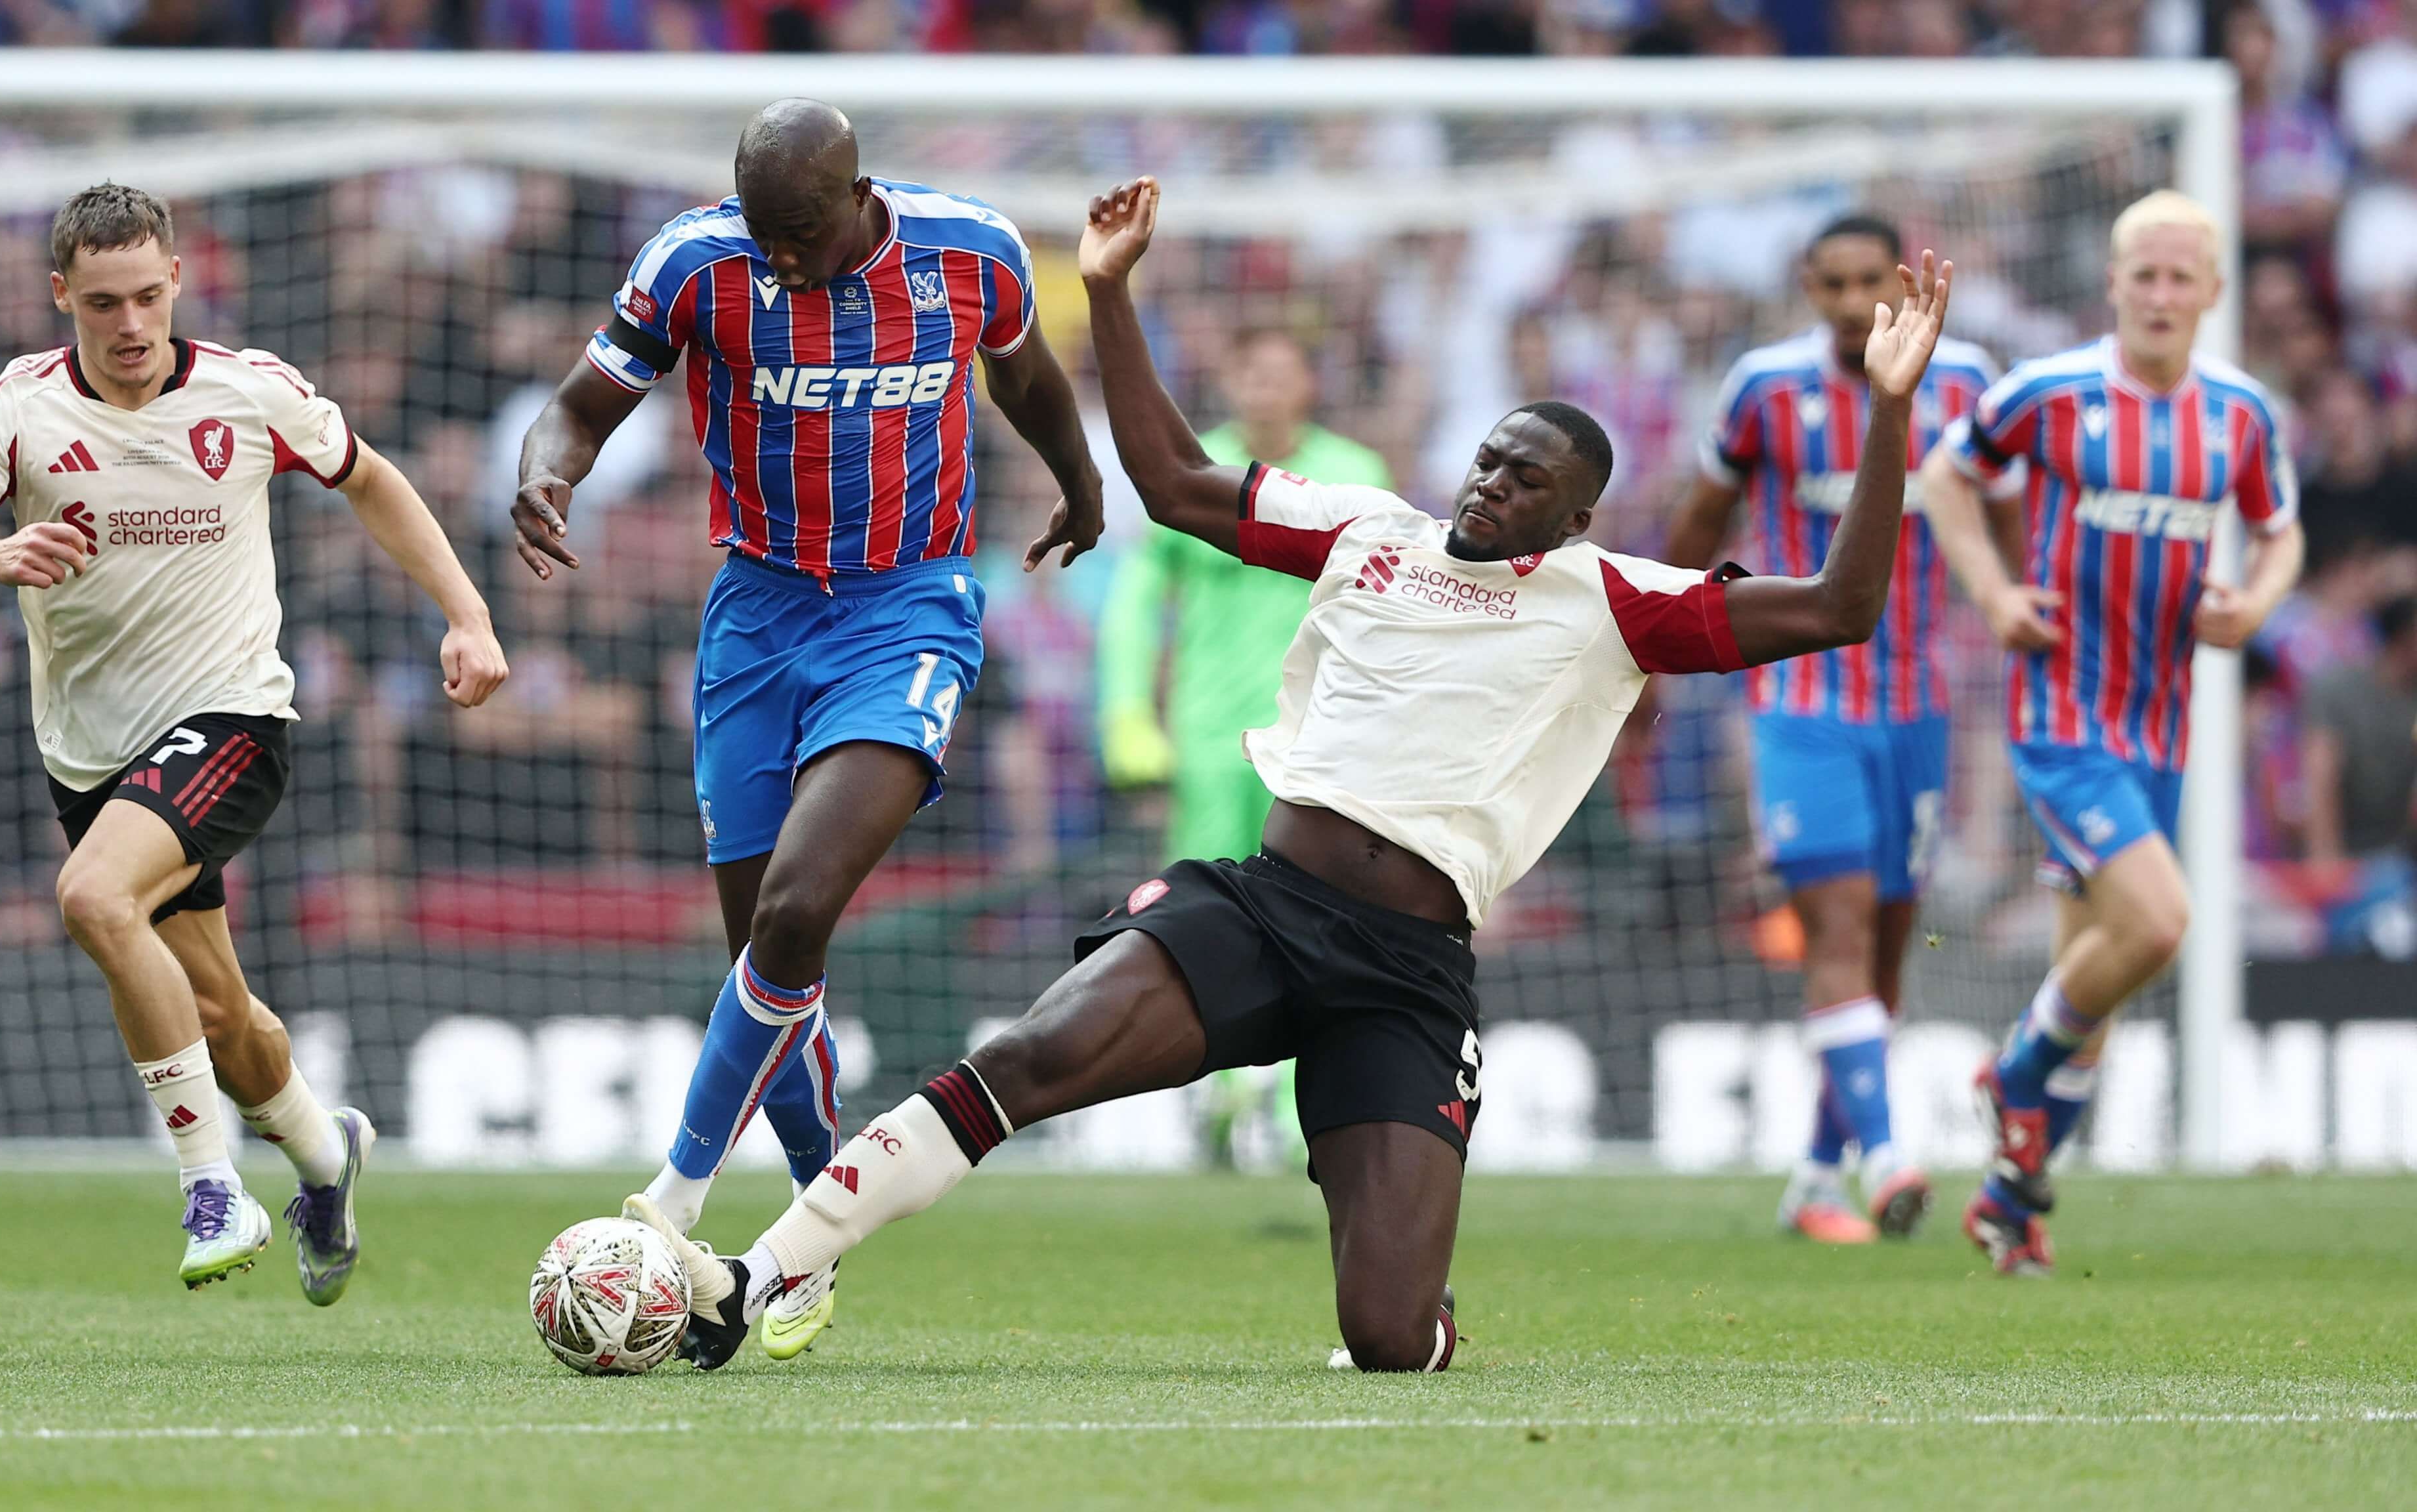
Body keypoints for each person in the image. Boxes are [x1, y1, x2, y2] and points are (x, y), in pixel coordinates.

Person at [632, 177, 1956, 1373]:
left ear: (1574, 517)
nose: (1490, 485)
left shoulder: (1614, 599)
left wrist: (1887, 412)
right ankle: (756, 1279)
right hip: (1257, 908)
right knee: (1027, 1057)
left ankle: (1413, 1294)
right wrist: (1106, 293)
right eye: (1489, 457)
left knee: (1384, 1339)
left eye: (1525, 479)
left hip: (1406, 970)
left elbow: (1841, 606)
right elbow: (1167, 479)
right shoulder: (1367, 527)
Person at [509, 100, 1102, 1362]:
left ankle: (670, 1203)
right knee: (761, 953)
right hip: (756, 613)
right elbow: (577, 404)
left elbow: (1031, 377)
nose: (779, 256)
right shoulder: (694, 265)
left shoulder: (971, 253)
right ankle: (804, 1236)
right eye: (762, 228)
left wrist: (1084, 479)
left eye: (800, 231)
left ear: (857, 194)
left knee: (795, 908)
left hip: (908, 610)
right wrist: (545, 473)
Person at [0, 183, 508, 1293]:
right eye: (104, 302)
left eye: (150, 297)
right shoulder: (13, 409)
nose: (130, 325)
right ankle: (324, 1153)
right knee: (220, 1012)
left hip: (233, 718)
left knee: (91, 897)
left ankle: (211, 1186)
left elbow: (372, 479)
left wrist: (469, 613)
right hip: (92, 757)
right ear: (60, 294)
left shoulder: (248, 390)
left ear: (180, 282)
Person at [1923, 190, 2303, 1278]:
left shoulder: (2238, 415)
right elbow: (1947, 475)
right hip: (2062, 718)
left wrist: (2256, 600)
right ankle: (2014, 1071)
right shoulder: (2048, 393)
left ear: (2213, 291)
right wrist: (1995, 593)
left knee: (2101, 975)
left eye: (2182, 275)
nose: (2161, 293)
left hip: (2161, 726)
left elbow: (2280, 532)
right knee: (2161, 921)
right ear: (2113, 280)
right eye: (2145, 272)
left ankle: (2013, 1200)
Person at [1664, 213, 2000, 1244]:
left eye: (1870, 283)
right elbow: (1702, 521)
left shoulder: (1969, 383)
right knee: (1842, 925)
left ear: (1898, 284)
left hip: (1917, 707)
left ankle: (1814, 1175)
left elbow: (2012, 516)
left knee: (1890, 944)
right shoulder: (1765, 391)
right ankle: (1890, 1160)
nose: (1855, 304)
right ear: (1808, 287)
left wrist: (2024, 608)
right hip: (1800, 702)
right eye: (1834, 284)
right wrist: (1654, 637)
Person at [1093, 324, 1393, 1164]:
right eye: (1248, 371)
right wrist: (1125, 713)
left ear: (1308, 384)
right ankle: (1229, 1088)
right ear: (1230, 383)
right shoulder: (1189, 474)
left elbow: (1391, 612)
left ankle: (1304, 1106)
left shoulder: (1358, 476)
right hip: (1208, 739)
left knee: (1322, 916)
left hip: (1319, 739)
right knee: (1205, 916)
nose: (1263, 386)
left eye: (1279, 371)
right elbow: (1134, 602)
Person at [2302, 594, 2417, 866]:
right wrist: (2326, 860)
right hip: (2348, 857)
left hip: (2400, 859)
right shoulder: (2338, 689)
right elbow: (2321, 777)